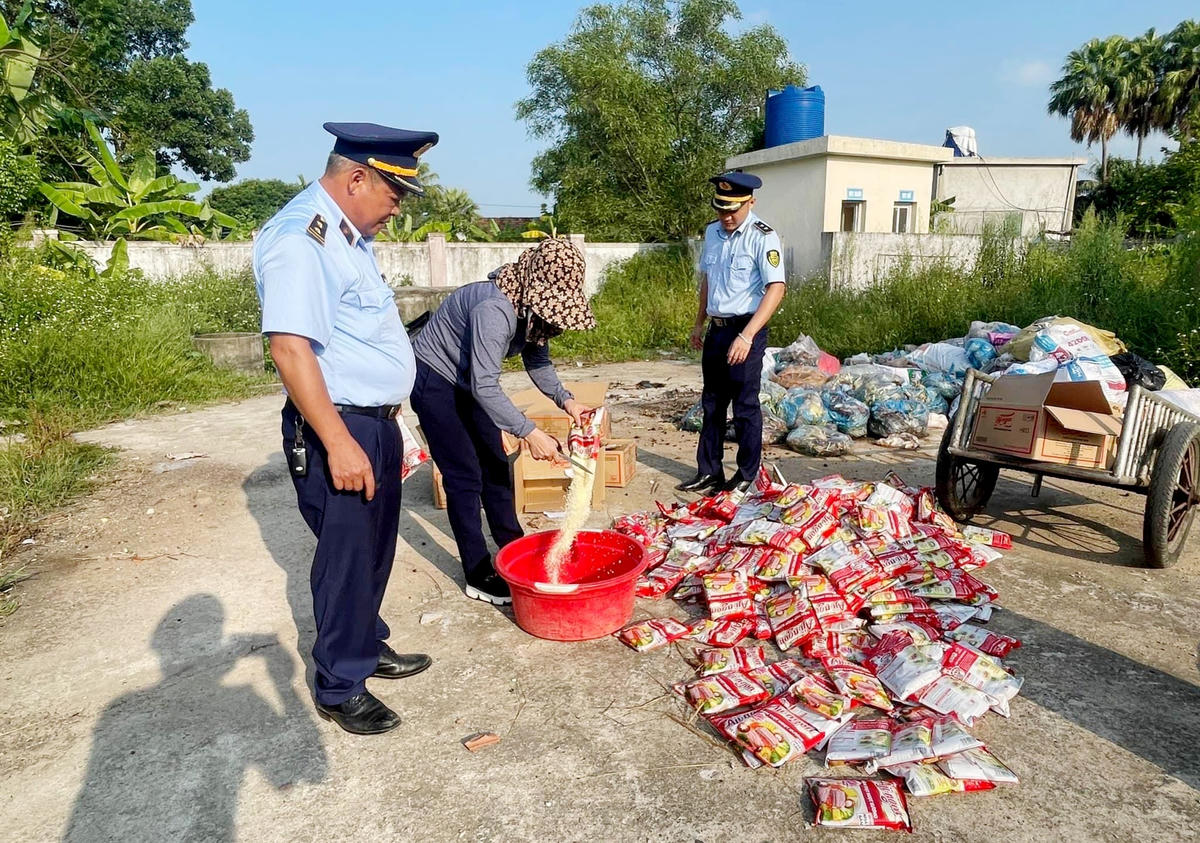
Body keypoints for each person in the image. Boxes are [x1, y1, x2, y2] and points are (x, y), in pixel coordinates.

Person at [253, 122, 438, 735]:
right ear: (356, 177)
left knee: (375, 549)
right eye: (394, 194)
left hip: (373, 424)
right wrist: (337, 440)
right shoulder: (301, 238)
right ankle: (340, 683)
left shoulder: (351, 238)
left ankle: (366, 641)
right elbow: (290, 349)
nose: (397, 208)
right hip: (340, 427)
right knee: (346, 557)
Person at [410, 238, 596, 605]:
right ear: (535, 288)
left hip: (469, 382)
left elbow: (537, 362)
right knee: (465, 476)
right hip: (435, 380)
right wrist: (529, 432)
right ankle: (478, 572)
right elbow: (484, 384)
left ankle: (512, 546)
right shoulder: (495, 309)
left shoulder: (532, 310)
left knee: (496, 464)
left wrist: (568, 401)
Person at [678, 172, 786, 495]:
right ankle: (709, 472)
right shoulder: (713, 233)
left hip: (745, 331)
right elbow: (708, 282)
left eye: (732, 210)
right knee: (711, 404)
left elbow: (776, 288)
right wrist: (699, 323)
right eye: (720, 209)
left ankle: (746, 475)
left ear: (750, 202)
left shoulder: (763, 237)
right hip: (717, 329)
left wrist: (748, 335)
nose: (725, 217)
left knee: (744, 407)